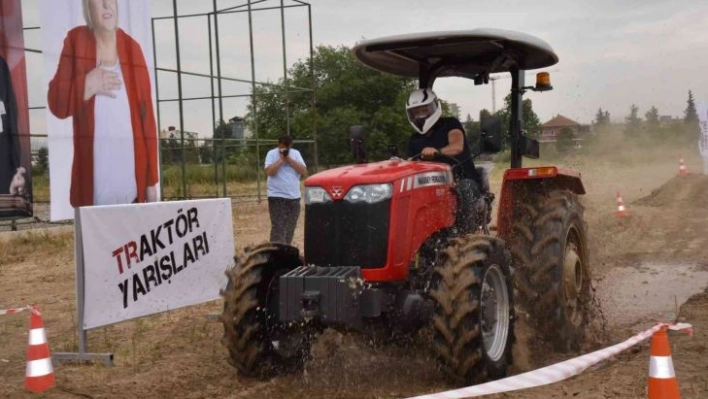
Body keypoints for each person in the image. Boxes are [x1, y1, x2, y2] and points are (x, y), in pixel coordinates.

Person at [47, 0, 159, 207]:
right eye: (99, 1)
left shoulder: (132, 48)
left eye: (111, 0)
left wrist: (151, 182)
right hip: (94, 190)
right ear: (87, 8)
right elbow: (57, 105)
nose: (107, 6)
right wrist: (87, 84)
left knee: (132, 237)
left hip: (132, 189)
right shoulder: (76, 40)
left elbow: (147, 120)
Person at [405, 88, 484, 233]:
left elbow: (457, 146)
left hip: (462, 179)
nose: (421, 115)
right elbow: (410, 163)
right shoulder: (414, 139)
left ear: (434, 107)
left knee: (465, 188)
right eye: (416, 112)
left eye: (424, 110)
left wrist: (437, 152)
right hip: (432, 184)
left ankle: (468, 235)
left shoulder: (451, 124)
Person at [265, 134, 307, 245]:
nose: (284, 149)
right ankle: (275, 252)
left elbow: (303, 171)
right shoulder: (271, 154)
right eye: (282, 147)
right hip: (276, 196)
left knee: (290, 226)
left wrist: (289, 159)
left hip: (293, 196)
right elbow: (269, 172)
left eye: (287, 147)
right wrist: (281, 160)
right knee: (278, 227)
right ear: (278, 145)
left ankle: (286, 249)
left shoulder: (296, 154)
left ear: (291, 145)